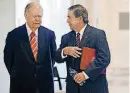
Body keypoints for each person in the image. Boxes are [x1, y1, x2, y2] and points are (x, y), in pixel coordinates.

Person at [55, 4, 110, 93]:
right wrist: (64, 51)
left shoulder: (98, 34)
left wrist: (85, 74)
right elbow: (57, 58)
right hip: (73, 88)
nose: (67, 21)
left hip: (94, 87)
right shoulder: (66, 37)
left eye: (69, 17)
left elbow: (104, 59)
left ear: (79, 18)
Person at [4, 2, 56, 93]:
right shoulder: (13, 35)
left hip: (44, 86)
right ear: (26, 15)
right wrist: (16, 75)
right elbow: (8, 59)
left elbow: (53, 58)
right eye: (34, 16)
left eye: (40, 16)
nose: (37, 19)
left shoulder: (49, 34)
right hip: (20, 85)